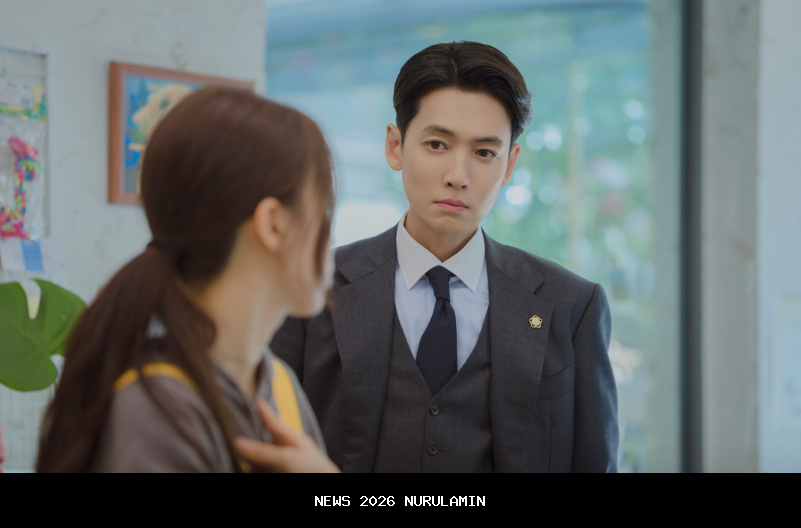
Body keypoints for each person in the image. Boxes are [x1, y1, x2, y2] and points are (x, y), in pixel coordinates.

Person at [270, 41, 619, 473]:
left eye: (484, 153)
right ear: (395, 146)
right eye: (437, 144)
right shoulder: (307, 286)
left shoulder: (572, 306)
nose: (458, 176)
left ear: (509, 166)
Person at [37, 87, 339, 473]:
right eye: (323, 210)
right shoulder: (156, 408)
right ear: (273, 224)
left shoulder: (280, 386)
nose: (331, 235)